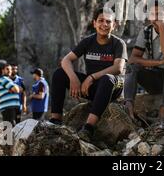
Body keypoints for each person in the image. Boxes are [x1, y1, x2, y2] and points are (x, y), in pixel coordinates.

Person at [50, 8, 127, 142]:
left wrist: (91, 77)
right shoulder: (88, 42)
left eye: (108, 22)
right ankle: (55, 121)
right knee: (59, 74)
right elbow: (66, 60)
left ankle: (88, 128)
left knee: (107, 79)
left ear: (114, 25)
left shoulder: (118, 43)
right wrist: (73, 79)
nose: (104, 24)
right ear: (94, 23)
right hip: (91, 87)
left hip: (113, 86)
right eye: (101, 21)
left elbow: (118, 68)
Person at [124, 0, 164, 132]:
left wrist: (163, 28)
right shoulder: (146, 31)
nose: (155, 18)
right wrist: (156, 62)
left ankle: (163, 114)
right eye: (152, 15)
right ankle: (128, 107)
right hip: (155, 79)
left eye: (159, 14)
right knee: (131, 66)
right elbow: (133, 58)